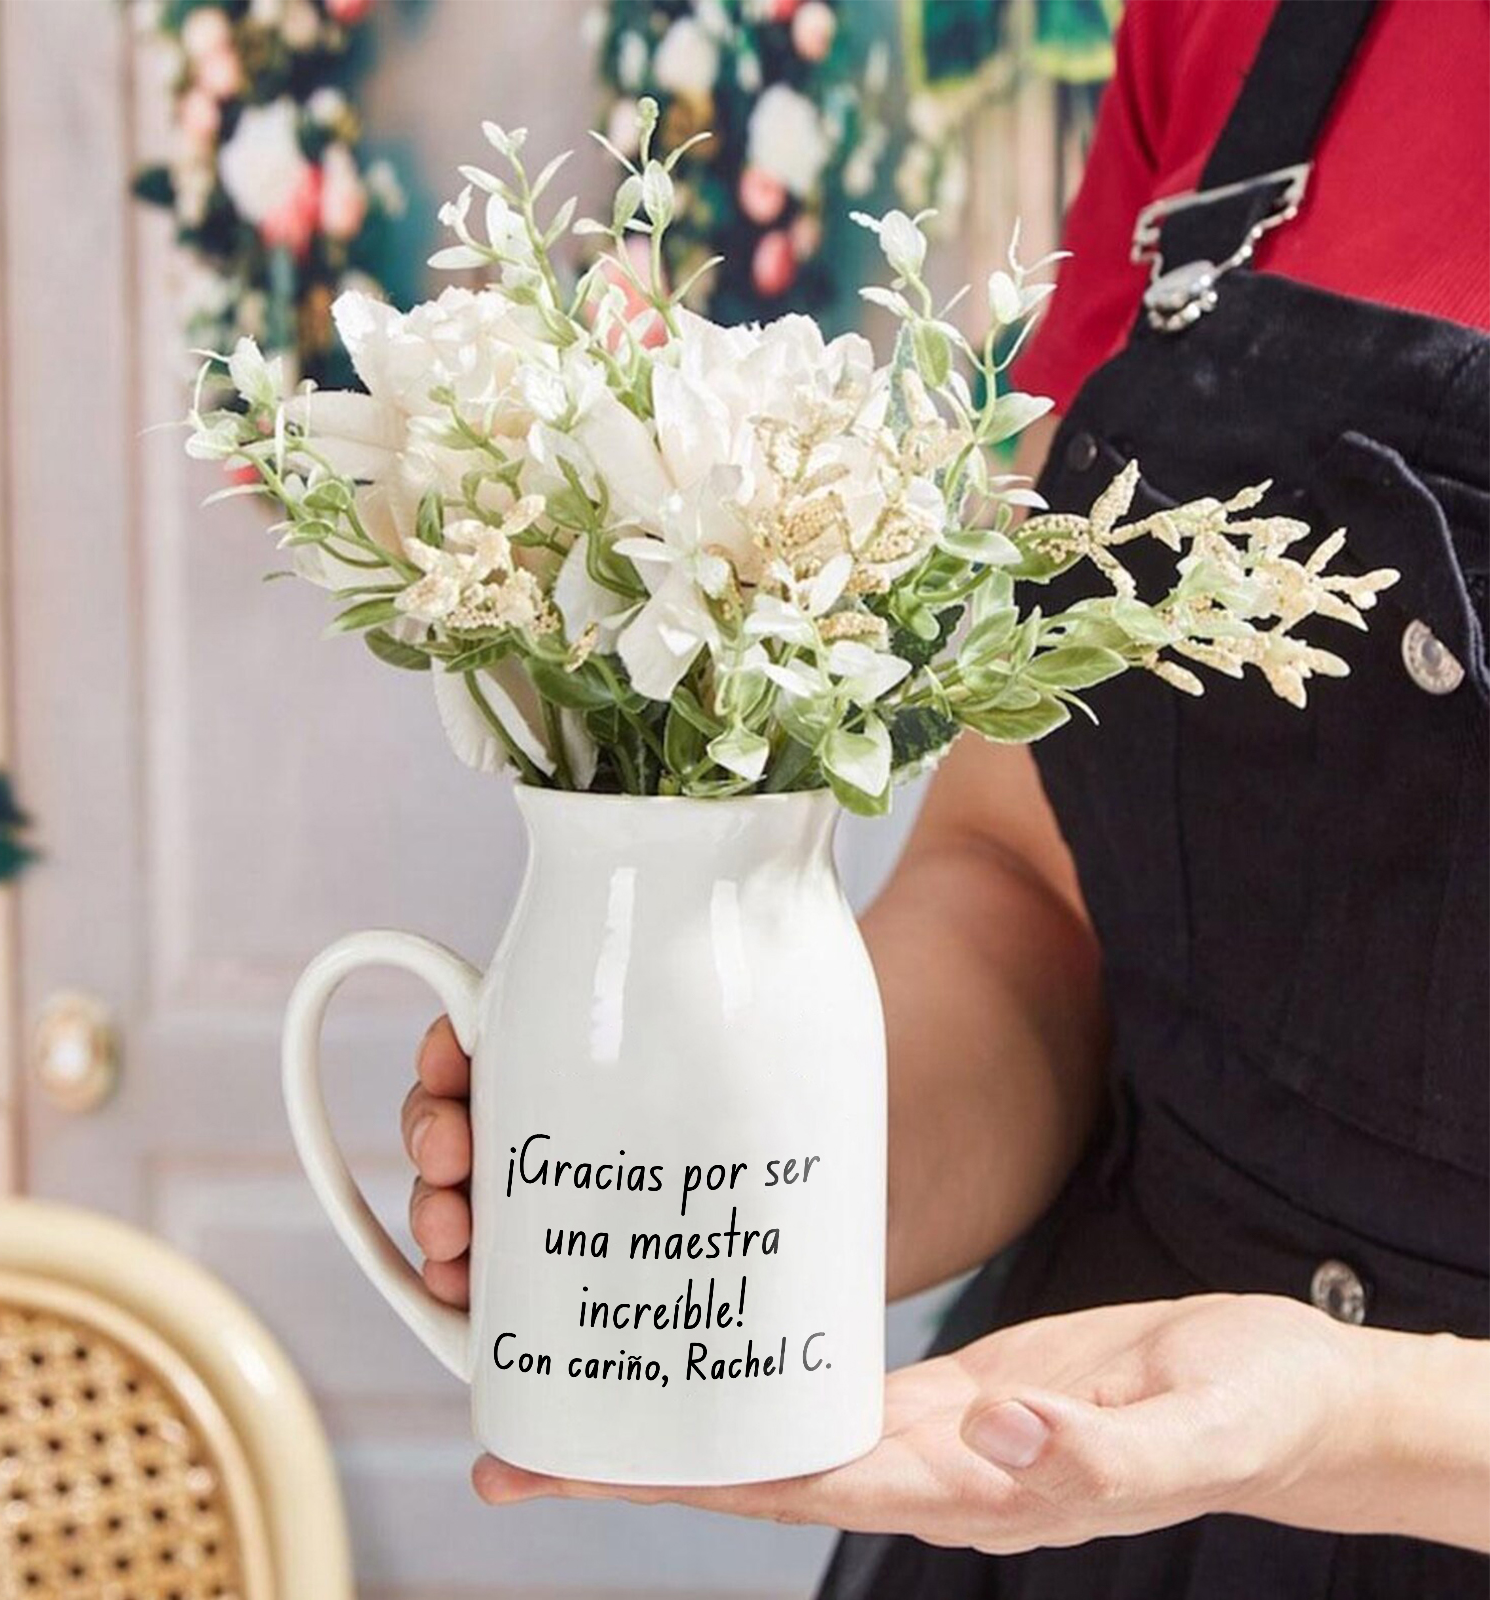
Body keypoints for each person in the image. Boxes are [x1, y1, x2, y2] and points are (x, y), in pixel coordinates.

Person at [400, 0, 1490, 1591]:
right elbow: (1031, 886)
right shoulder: (1235, 25)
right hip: (1097, 1507)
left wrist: (1353, 1418)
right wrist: (729, 1184)